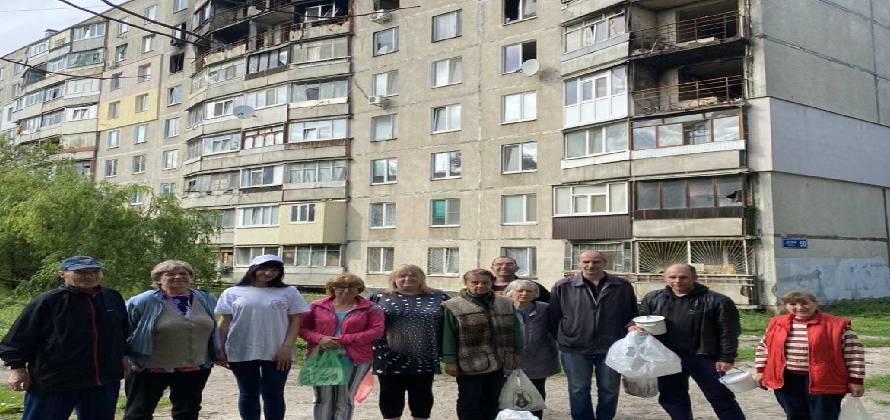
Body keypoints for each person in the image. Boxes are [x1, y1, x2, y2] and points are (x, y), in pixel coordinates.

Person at [0, 256, 128, 420]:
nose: (89, 276)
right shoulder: (48, 301)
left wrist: (124, 356)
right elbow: (18, 338)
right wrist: (17, 369)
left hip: (102, 381)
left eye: (95, 271)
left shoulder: (112, 297)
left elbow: (123, 331)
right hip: (56, 382)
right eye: (80, 272)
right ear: (62, 274)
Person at [630, 263, 745, 420]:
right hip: (667, 357)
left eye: (683, 277)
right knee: (672, 398)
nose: (678, 281)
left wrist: (727, 357)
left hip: (704, 356)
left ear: (694, 278)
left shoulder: (718, 301)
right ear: (664, 277)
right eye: (672, 277)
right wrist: (634, 327)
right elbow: (641, 318)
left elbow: (729, 331)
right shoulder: (653, 298)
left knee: (720, 396)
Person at [124, 260, 221, 420]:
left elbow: (213, 327)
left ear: (190, 277)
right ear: (158, 279)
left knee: (187, 412)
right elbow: (125, 329)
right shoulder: (143, 301)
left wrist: (217, 351)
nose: (178, 277)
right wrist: (123, 356)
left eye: (183, 273)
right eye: (170, 274)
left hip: (194, 366)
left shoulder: (205, 298)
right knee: (139, 412)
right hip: (150, 367)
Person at [216, 255, 310, 420]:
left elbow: (296, 320)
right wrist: (219, 348)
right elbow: (224, 322)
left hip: (278, 351)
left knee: (273, 393)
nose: (268, 273)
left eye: (274, 270)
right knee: (248, 393)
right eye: (264, 268)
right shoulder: (232, 292)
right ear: (253, 269)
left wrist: (287, 347)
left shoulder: (289, 292)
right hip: (241, 349)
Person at [548, 251, 637, 420]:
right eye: (586, 261)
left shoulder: (622, 286)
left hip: (612, 346)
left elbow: (630, 314)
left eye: (596, 261)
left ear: (604, 262)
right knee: (578, 388)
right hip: (574, 346)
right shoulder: (563, 286)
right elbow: (554, 317)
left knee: (610, 389)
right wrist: (566, 336)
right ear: (578, 263)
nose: (591, 265)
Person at [753, 290, 865, 420]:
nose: (800, 308)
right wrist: (761, 371)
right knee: (795, 415)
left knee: (824, 416)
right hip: (787, 380)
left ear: (815, 304)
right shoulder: (777, 323)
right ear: (786, 305)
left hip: (825, 380)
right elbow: (764, 348)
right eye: (793, 304)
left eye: (805, 303)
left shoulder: (837, 325)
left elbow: (854, 353)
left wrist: (856, 380)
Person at [370, 264, 450, 420]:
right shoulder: (379, 297)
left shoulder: (439, 297)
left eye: (414, 275)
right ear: (394, 279)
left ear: (422, 278)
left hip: (424, 355)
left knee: (422, 396)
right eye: (403, 276)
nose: (408, 279)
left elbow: (451, 324)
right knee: (390, 396)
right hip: (388, 356)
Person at [300, 273, 385, 420]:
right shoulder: (317, 306)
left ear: (359, 288)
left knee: (344, 399)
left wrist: (343, 340)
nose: (346, 290)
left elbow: (376, 331)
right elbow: (302, 329)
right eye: (341, 287)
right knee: (322, 399)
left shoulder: (371, 308)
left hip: (355, 358)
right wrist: (320, 339)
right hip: (322, 357)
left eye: (352, 287)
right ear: (332, 288)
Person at [442, 268, 523, 420]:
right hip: (469, 361)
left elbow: (515, 329)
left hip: (499, 359)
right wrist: (450, 360)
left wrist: (517, 351)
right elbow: (448, 335)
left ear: (492, 282)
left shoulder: (505, 303)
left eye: (485, 282)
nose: (480, 286)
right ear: (466, 283)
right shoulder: (453, 305)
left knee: (492, 399)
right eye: (475, 282)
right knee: (469, 400)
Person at [505, 280, 559, 420]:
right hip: (508, 359)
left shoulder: (545, 309)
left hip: (538, 358)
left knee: (536, 393)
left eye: (529, 291)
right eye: (520, 291)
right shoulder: (502, 308)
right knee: (507, 393)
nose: (524, 294)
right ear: (510, 293)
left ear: (535, 294)